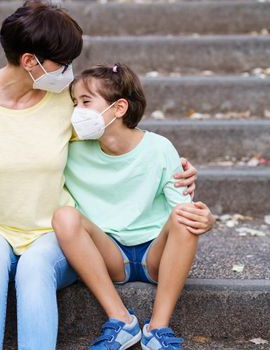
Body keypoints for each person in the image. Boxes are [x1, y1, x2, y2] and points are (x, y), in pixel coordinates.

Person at [0, 2, 199, 349]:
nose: (69, 71)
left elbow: (116, 128)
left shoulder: (64, 102)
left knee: (35, 266)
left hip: (49, 235)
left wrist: (178, 168)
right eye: (63, 62)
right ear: (29, 61)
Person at [52, 63, 215, 350]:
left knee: (184, 216)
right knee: (64, 216)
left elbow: (186, 210)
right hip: (110, 254)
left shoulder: (160, 148)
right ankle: (121, 321)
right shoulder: (69, 151)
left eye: (86, 102)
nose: (77, 111)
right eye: (75, 103)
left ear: (119, 108)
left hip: (156, 255)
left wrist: (206, 220)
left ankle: (158, 329)